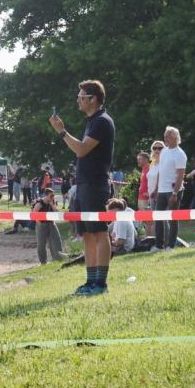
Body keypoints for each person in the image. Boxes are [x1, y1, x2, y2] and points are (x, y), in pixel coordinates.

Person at [49, 79, 115, 295]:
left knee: (99, 233)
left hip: (96, 185)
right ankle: (90, 281)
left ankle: (101, 284)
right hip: (84, 185)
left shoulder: (102, 121)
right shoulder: (92, 121)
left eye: (81, 97)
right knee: (87, 234)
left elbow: (81, 150)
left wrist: (62, 131)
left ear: (92, 99)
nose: (78, 100)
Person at [154, 127, 187, 251]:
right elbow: (161, 171)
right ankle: (158, 245)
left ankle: (171, 245)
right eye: (165, 135)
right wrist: (157, 188)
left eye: (168, 135)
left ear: (175, 137)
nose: (165, 138)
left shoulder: (180, 154)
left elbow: (180, 175)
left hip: (173, 191)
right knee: (158, 218)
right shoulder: (164, 152)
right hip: (162, 190)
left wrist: (175, 193)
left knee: (173, 218)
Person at [33, 189, 68, 264]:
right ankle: (43, 262)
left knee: (56, 240)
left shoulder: (52, 202)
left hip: (51, 223)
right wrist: (39, 222)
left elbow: (57, 213)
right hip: (42, 224)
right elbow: (34, 212)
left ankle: (57, 258)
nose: (53, 197)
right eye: (51, 195)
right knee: (41, 244)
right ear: (46, 195)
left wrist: (52, 205)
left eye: (53, 195)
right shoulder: (40, 202)